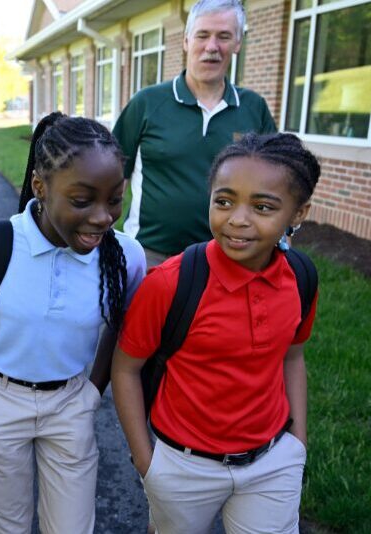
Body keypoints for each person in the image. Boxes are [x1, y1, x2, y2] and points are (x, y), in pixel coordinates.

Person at [0, 113, 146, 534]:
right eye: (82, 200)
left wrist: (94, 389)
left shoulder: (124, 256)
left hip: (71, 404)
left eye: (114, 199)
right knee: (8, 526)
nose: (102, 217)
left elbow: (122, 322)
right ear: (41, 187)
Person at [111, 132, 321, 533]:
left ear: (298, 213)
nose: (237, 219)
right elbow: (125, 369)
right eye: (224, 201)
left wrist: (298, 442)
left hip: (272, 460)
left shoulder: (300, 277)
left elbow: (293, 356)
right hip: (183, 467)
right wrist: (146, 462)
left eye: (262, 206)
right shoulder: (171, 283)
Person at [113, 0, 276, 265]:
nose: (212, 47)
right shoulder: (147, 103)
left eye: (224, 36)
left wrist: (282, 239)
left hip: (225, 257)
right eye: (203, 35)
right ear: (187, 41)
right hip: (149, 255)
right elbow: (114, 176)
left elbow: (275, 182)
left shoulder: (253, 108)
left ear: (237, 44)